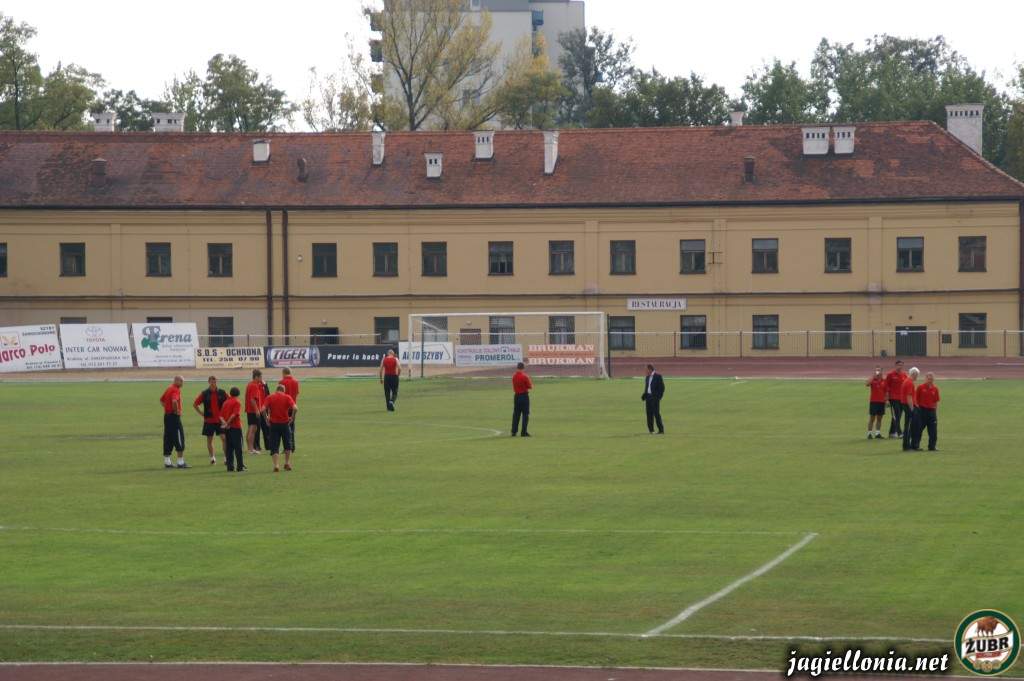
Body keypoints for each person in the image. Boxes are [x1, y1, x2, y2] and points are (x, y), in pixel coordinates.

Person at [262, 384, 297, 473]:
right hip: (285, 424)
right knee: (287, 444)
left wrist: (266, 419)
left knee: (274, 445)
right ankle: (287, 463)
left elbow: (262, 409)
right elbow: (295, 408)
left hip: (273, 424)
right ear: (283, 390)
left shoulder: (270, 397)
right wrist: (292, 417)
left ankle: (276, 465)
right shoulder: (287, 397)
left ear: (276, 390)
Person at [193, 376, 228, 465]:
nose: (213, 383)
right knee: (210, 440)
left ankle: (226, 458)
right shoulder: (204, 393)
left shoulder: (222, 392)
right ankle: (212, 458)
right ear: (208, 382)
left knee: (224, 439)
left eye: (215, 382)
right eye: (212, 382)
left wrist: (226, 415)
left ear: (217, 382)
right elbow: (195, 404)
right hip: (209, 421)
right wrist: (202, 414)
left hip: (220, 421)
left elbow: (229, 402)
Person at [159, 375, 187, 469]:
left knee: (168, 437)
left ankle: (167, 462)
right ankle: (180, 462)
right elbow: (174, 401)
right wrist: (175, 411)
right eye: (181, 381)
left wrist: (168, 408)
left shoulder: (169, 388)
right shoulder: (175, 390)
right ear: (176, 381)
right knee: (179, 436)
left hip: (167, 416)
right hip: (174, 417)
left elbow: (161, 400)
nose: (183, 383)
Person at [911, 372, 940, 452]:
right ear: (925, 379)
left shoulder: (935, 389)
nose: (930, 380)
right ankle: (915, 446)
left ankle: (932, 446)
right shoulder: (920, 387)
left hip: (932, 411)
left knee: (933, 430)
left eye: (931, 379)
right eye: (928, 378)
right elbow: (915, 399)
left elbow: (936, 401)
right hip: (922, 411)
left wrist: (935, 412)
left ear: (933, 379)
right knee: (919, 429)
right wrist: (917, 410)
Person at [219, 387, 245, 472]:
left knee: (229, 448)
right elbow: (234, 415)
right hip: (236, 427)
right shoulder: (237, 402)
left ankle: (230, 467)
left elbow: (220, 416)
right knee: (238, 448)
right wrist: (228, 423)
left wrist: (225, 424)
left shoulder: (225, 402)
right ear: (238, 394)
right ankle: (240, 467)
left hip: (227, 429)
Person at [245, 369, 266, 455]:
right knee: (253, 429)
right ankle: (251, 449)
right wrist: (257, 410)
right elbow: (252, 400)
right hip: (253, 411)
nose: (261, 378)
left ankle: (249, 448)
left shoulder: (250, 384)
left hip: (250, 410)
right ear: (256, 377)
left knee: (251, 428)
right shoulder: (254, 386)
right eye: (260, 377)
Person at [278, 368, 300, 450]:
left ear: (283, 373)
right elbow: (296, 393)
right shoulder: (295, 382)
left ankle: (286, 447)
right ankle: (292, 446)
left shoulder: (281, 382)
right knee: (292, 427)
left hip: (284, 408)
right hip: (293, 407)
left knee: (284, 428)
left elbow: (279, 395)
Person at [641, 364, 666, 434]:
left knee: (656, 414)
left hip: (655, 398)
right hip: (648, 398)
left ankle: (661, 430)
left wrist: (658, 397)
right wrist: (644, 395)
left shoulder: (658, 376)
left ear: (650, 369)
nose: (645, 371)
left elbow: (662, 388)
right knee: (649, 414)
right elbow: (647, 387)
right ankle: (651, 430)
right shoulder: (647, 377)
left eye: (646, 370)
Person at [884, 360, 906, 439]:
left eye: (901, 365)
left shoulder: (904, 375)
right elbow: (886, 387)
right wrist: (886, 400)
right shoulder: (890, 375)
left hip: (902, 399)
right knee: (896, 415)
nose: (900, 366)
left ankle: (892, 432)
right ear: (895, 365)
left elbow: (906, 387)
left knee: (898, 416)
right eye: (899, 365)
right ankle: (899, 433)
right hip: (893, 399)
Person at [900, 367, 920, 452]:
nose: (917, 377)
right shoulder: (909, 383)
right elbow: (909, 397)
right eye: (917, 375)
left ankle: (910, 445)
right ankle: (906, 446)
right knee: (908, 426)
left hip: (908, 405)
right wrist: (912, 409)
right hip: (909, 406)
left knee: (909, 426)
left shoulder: (908, 381)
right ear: (914, 374)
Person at [511, 362, 532, 437]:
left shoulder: (514, 376)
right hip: (524, 396)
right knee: (525, 414)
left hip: (516, 396)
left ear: (517, 367)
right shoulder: (525, 376)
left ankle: (514, 431)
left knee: (516, 414)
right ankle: (523, 432)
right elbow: (530, 386)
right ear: (523, 368)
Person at [865, 366, 887, 439]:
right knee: (872, 418)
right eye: (877, 370)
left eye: (879, 370)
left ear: (882, 372)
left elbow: (886, 392)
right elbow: (867, 384)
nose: (878, 372)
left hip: (882, 402)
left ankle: (877, 433)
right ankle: (869, 433)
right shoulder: (872, 380)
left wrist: (886, 400)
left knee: (879, 418)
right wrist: (873, 377)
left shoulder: (884, 381)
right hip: (874, 401)